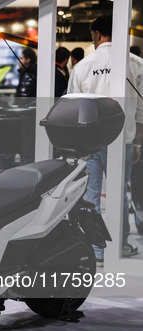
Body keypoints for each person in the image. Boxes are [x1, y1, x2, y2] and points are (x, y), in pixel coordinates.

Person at [67, 14, 143, 264]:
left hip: (89, 142)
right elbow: (142, 111)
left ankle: (97, 250)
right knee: (120, 194)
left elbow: (72, 108)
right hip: (124, 140)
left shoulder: (83, 66)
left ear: (97, 35)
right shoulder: (136, 63)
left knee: (90, 195)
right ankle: (119, 246)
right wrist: (138, 143)